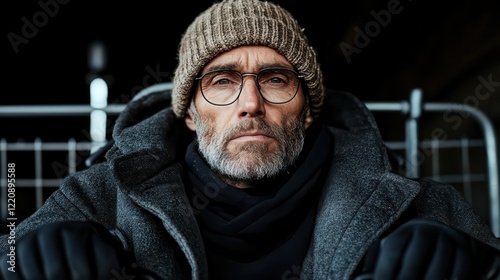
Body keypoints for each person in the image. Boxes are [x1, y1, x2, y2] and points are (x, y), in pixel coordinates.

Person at [1, 0, 499, 279]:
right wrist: (29, 253)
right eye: (221, 82)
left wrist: (467, 257)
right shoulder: (102, 193)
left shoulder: (401, 199)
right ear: (191, 116)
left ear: (307, 113)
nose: (250, 104)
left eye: (276, 80)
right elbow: (7, 257)